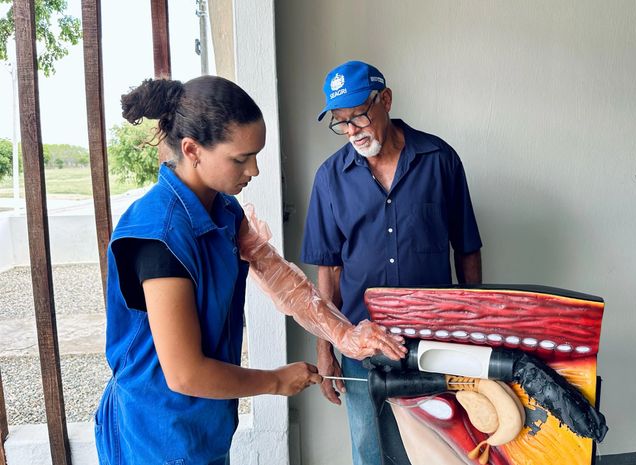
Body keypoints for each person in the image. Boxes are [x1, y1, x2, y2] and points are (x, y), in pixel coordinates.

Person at [94, 75, 405, 465]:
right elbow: (185, 374)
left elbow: (284, 282)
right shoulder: (160, 233)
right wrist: (275, 381)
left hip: (204, 423)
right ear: (192, 150)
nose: (254, 170)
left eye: (256, 154)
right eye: (241, 158)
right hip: (156, 432)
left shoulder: (224, 211)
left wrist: (346, 336)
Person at [301, 60, 483, 465]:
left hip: (433, 341)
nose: (351, 130)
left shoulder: (440, 160)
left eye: (358, 116)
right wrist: (327, 347)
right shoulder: (329, 177)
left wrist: (476, 330)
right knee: (369, 451)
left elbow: (467, 247)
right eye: (340, 122)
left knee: (435, 447)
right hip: (359, 343)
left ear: (385, 100)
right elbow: (328, 269)